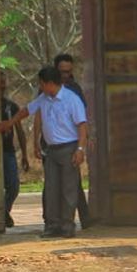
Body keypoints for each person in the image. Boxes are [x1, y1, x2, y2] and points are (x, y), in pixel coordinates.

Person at [0, 65, 88, 238]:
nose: (40, 87)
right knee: (52, 188)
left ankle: (67, 226)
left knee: (68, 189)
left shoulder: (71, 99)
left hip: (69, 148)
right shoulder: (44, 98)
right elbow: (26, 111)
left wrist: (80, 149)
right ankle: (53, 226)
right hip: (51, 150)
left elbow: (82, 125)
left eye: (41, 84)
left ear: (49, 83)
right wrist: (9, 123)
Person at [54, 52, 94, 229]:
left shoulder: (74, 89)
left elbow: (83, 117)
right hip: (53, 142)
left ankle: (80, 219)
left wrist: (85, 140)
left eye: (68, 72)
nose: (66, 76)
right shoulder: (46, 88)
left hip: (72, 141)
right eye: (62, 72)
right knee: (54, 185)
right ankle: (52, 221)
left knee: (73, 184)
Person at [0, 69, 30, 228]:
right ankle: (0, 215)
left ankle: (3, 212)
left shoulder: (11, 107)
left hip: (7, 151)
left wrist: (24, 154)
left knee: (13, 186)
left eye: (4, 82)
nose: (2, 85)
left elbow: (20, 132)